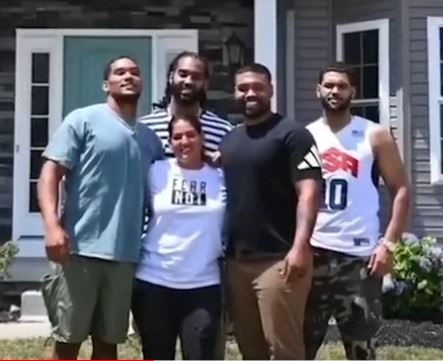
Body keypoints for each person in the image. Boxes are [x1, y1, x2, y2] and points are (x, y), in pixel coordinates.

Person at [38, 56, 164, 360]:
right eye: (120, 72)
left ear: (142, 83)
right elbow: (50, 173)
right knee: (68, 341)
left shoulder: (150, 140)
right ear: (106, 84)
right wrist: (53, 227)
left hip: (125, 255)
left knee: (109, 344)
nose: (128, 77)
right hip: (78, 250)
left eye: (135, 72)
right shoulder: (83, 120)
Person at [304, 62, 410, 360]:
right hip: (314, 255)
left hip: (359, 260)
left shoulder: (375, 135)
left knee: (361, 350)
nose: (334, 91)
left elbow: (401, 190)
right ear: (318, 90)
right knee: (301, 347)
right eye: (329, 85)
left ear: (353, 91)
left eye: (341, 85)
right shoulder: (303, 137)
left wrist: (388, 245)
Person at [219, 63, 323, 360]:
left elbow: (309, 192)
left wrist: (301, 246)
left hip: (279, 262)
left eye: (257, 87)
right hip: (236, 262)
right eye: (243, 88)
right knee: (250, 350)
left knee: (284, 350)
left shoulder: (293, 135)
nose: (250, 93)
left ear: (271, 91)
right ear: (234, 93)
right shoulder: (231, 139)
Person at [131, 115, 226, 360]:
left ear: (202, 137)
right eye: (177, 137)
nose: (184, 141)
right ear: (170, 142)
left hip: (203, 284)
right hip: (154, 281)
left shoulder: (220, 177)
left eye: (191, 135)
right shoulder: (156, 171)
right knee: (156, 354)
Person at [139, 51, 232, 158]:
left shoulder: (222, 131)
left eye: (196, 77)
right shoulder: (146, 128)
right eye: (183, 74)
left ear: (205, 84)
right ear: (171, 77)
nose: (188, 81)